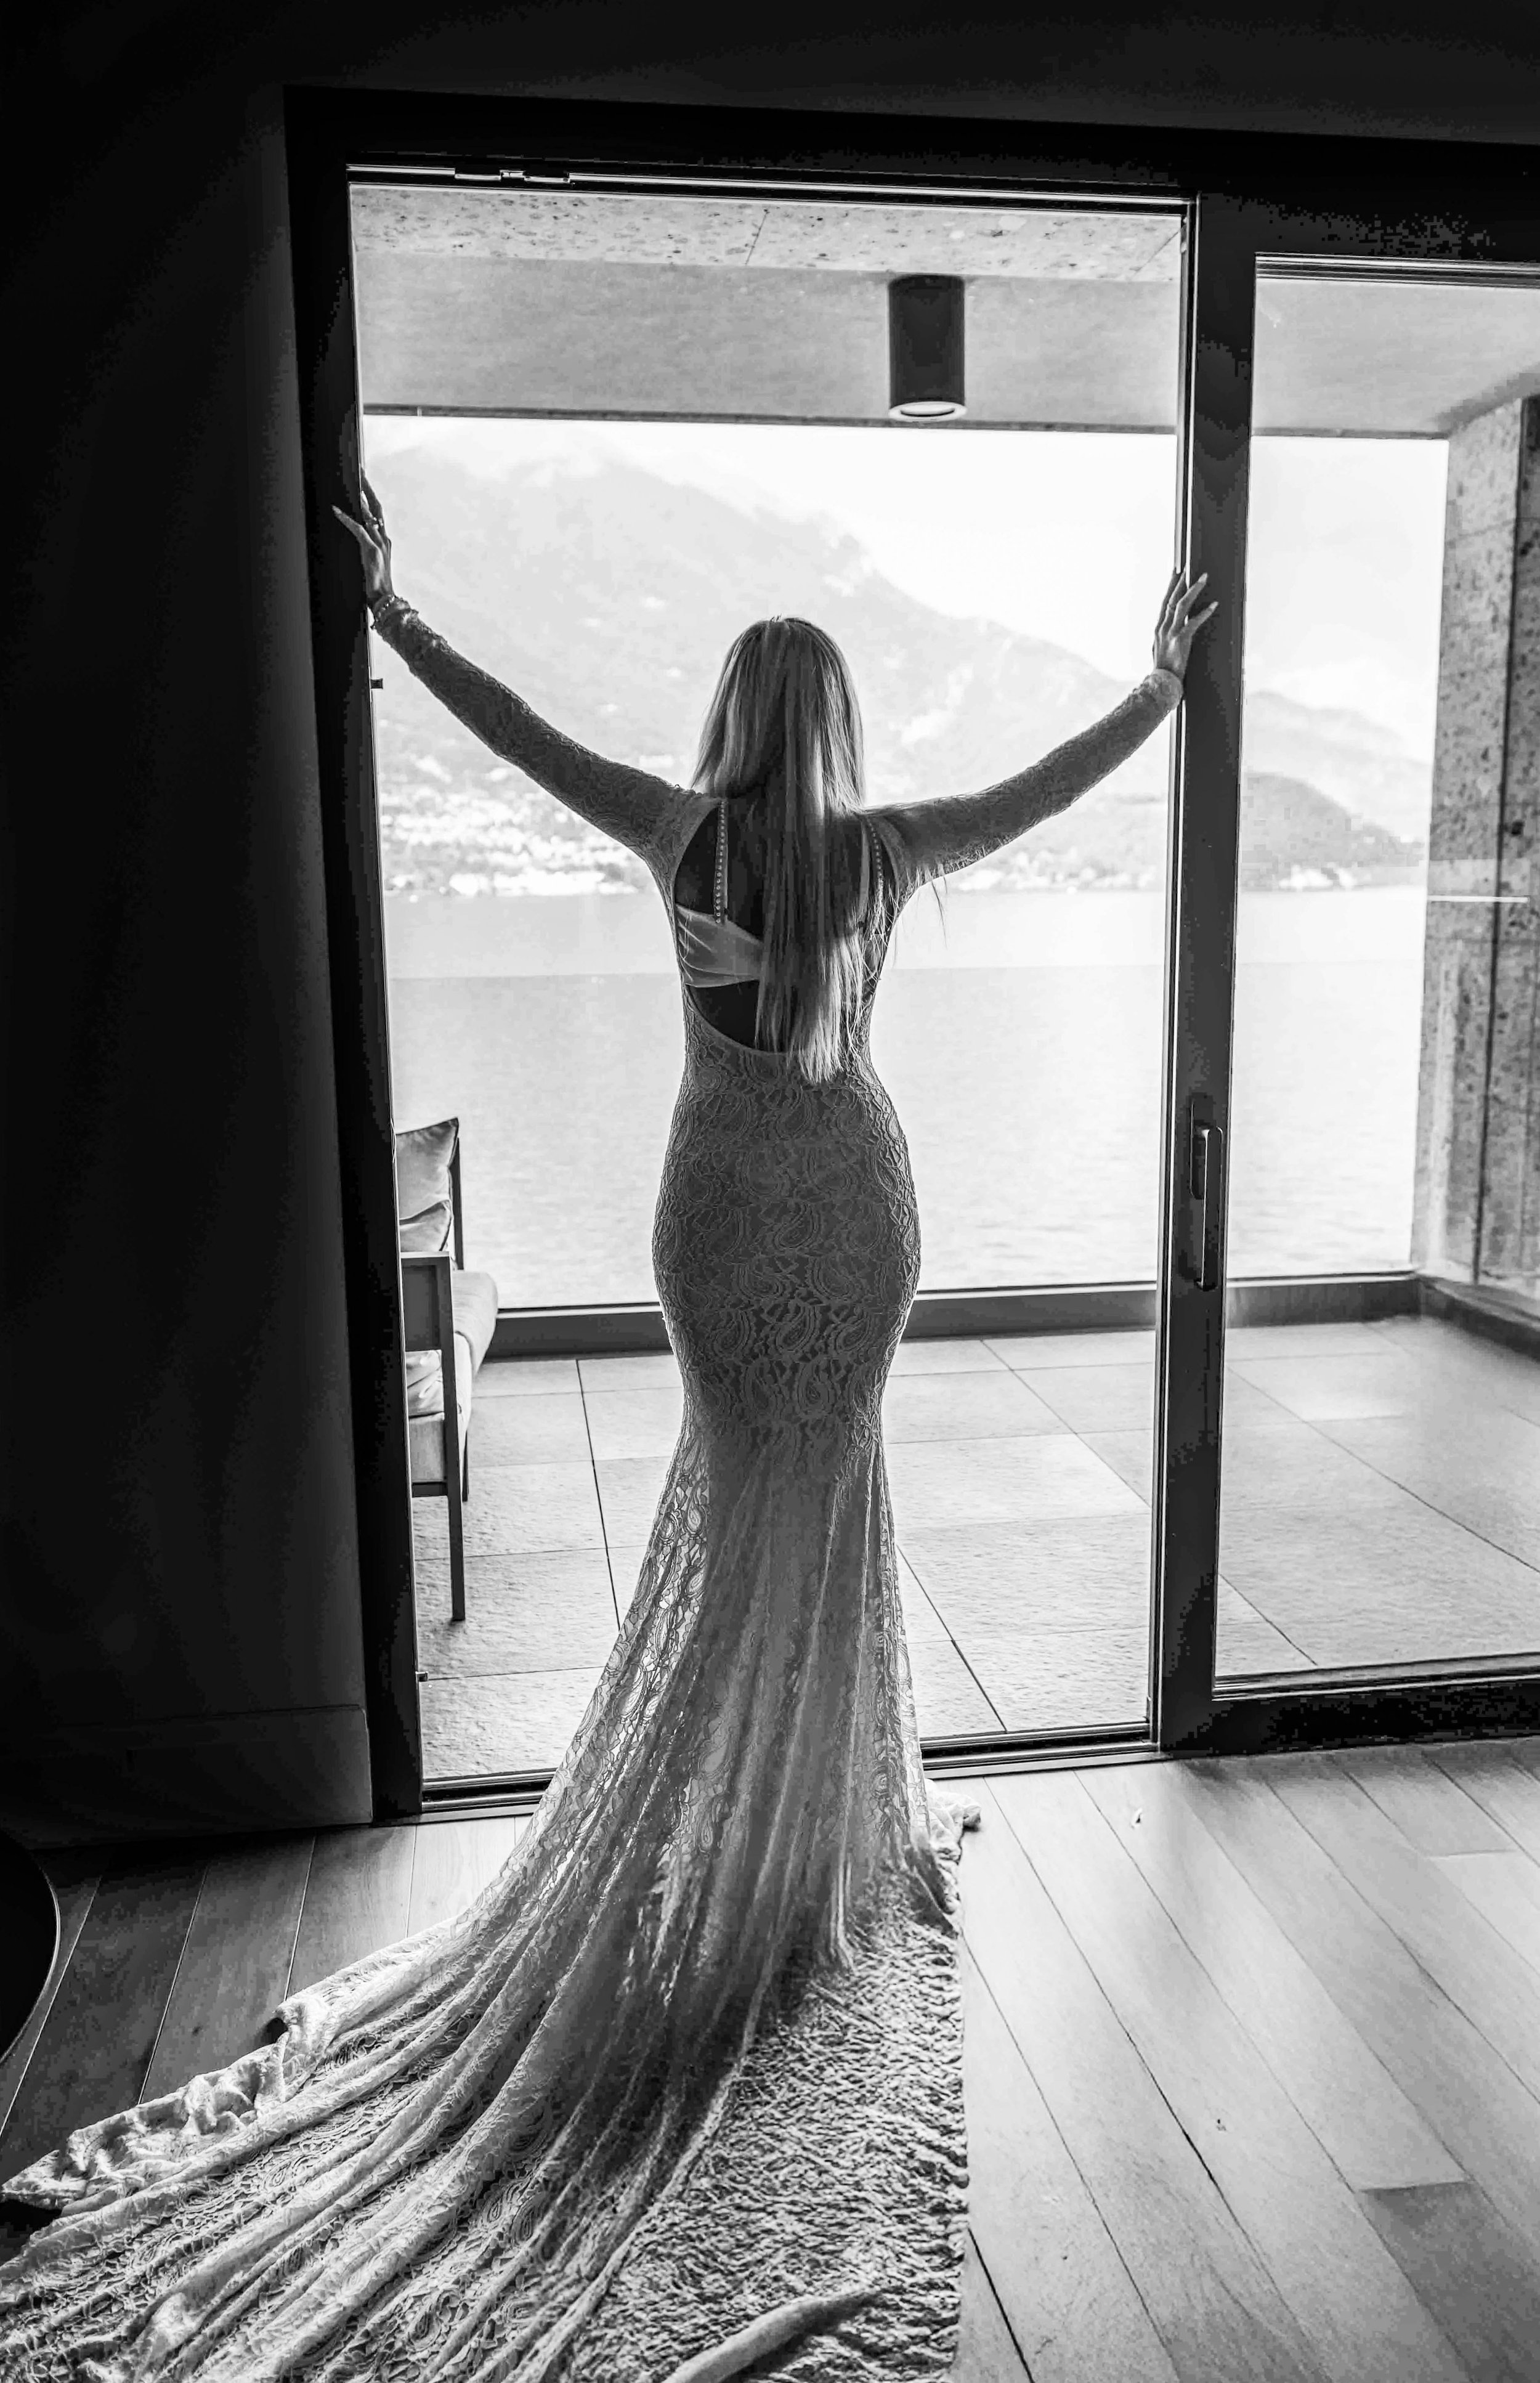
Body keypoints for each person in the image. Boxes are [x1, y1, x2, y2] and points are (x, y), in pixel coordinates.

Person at [0, 481, 1213, 2381]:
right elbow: (1049, 789)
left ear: (738, 720)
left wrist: (394, 618)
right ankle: (807, 1827)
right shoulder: (885, 850)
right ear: (841, 731)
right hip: (857, 1209)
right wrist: (1155, 692)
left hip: (719, 1221)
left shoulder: (681, 834)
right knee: (828, 1511)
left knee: (735, 1514)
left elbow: (522, 737)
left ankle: (749, 1821)